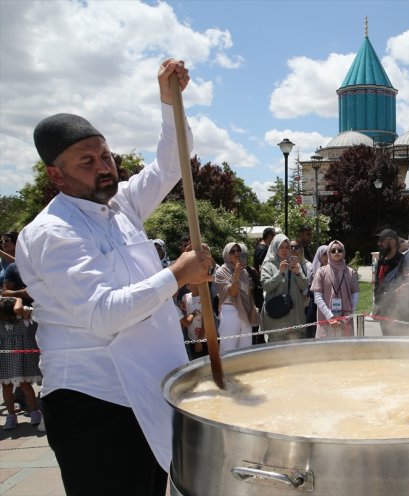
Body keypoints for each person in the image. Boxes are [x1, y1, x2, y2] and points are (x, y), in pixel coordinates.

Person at [14, 59, 215, 496]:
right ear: (56, 175)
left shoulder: (120, 206)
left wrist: (169, 104)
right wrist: (177, 274)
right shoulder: (52, 232)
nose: (104, 166)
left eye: (105, 154)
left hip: (145, 391)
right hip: (93, 403)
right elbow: (104, 314)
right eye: (87, 161)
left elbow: (171, 164)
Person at [374, 228, 409, 336]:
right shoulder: (381, 260)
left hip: (398, 313)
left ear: (392, 242)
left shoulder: (403, 261)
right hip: (384, 310)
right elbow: (378, 285)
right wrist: (377, 304)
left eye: (382, 240)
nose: (379, 243)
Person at [1, 297, 42, 431]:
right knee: (6, 387)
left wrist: (16, 298)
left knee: (25, 385)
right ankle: (11, 416)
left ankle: (34, 412)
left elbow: (18, 308)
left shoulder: (22, 315)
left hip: (21, 357)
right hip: (5, 358)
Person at [260, 234, 307, 341]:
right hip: (276, 318)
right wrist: (279, 272)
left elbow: (304, 285)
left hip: (294, 316)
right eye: (281, 247)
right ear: (275, 247)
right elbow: (266, 286)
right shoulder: (268, 265)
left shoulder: (294, 263)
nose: (284, 250)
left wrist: (297, 273)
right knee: (277, 353)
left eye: (287, 247)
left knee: (294, 352)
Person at [214, 242, 259, 354]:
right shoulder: (221, 272)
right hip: (230, 312)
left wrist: (253, 308)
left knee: (246, 349)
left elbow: (248, 293)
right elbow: (233, 293)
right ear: (226, 254)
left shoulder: (244, 271)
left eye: (238, 251)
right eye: (232, 251)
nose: (236, 253)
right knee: (229, 349)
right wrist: (236, 275)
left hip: (245, 311)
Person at [311, 240, 360, 337]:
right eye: (333, 251)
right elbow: (317, 297)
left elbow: (355, 295)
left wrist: (347, 316)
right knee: (326, 349)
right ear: (329, 253)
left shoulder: (350, 272)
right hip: (326, 317)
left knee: (345, 349)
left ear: (344, 252)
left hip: (346, 318)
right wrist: (330, 316)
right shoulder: (321, 272)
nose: (337, 252)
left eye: (339, 250)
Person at [305, 244, 329, 339]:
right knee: (312, 332)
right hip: (314, 306)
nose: (327, 257)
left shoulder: (334, 270)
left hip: (328, 306)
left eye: (328, 253)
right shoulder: (311, 270)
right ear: (319, 255)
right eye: (324, 254)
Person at [179, 283, 207, 359]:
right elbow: (185, 318)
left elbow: (206, 323)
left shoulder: (204, 298)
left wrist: (199, 341)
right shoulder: (185, 297)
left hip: (203, 339)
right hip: (190, 338)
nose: (188, 282)